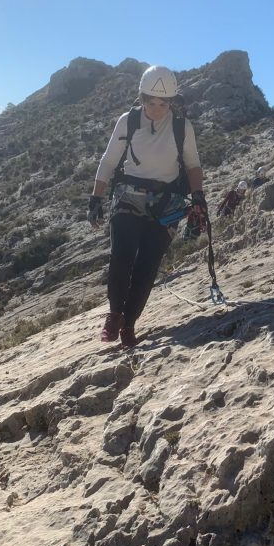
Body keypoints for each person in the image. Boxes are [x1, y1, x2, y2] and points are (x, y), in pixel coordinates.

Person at [88, 65, 208, 348]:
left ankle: (129, 324)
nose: (155, 108)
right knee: (122, 256)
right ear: (141, 98)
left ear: (171, 102)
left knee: (148, 265)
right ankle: (114, 314)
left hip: (168, 204)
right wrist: (96, 197)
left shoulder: (181, 127)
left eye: (162, 103)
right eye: (150, 102)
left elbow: (193, 164)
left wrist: (199, 195)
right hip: (129, 196)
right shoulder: (127, 122)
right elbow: (108, 161)